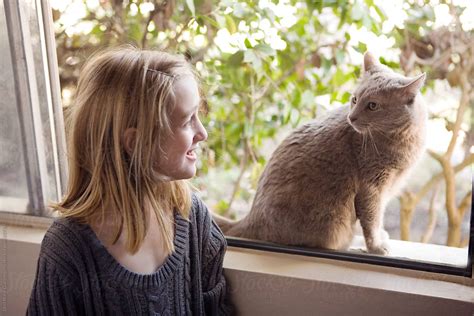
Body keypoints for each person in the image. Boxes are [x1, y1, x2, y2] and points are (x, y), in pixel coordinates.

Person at [27, 46, 232, 315]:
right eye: (186, 121)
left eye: (198, 116)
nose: (202, 133)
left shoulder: (193, 218)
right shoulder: (69, 251)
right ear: (136, 143)